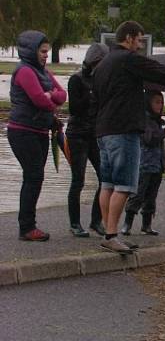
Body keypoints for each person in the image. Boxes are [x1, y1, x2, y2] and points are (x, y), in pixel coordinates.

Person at [93, 20, 165, 254]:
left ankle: (107, 231)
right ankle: (112, 235)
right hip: (124, 130)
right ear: (130, 38)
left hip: (103, 130)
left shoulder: (103, 64)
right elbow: (162, 72)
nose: (141, 44)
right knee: (124, 185)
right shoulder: (128, 60)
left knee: (107, 184)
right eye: (140, 39)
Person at [7, 30, 67, 242]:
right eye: (42, 51)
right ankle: (27, 227)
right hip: (23, 131)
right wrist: (49, 99)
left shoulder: (43, 71)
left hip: (40, 131)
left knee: (35, 177)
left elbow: (62, 94)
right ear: (30, 50)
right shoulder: (24, 71)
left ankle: (28, 224)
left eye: (47, 51)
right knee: (33, 176)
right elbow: (38, 101)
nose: (45, 55)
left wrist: (49, 96)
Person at [66, 43, 108, 238]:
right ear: (95, 61)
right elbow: (74, 108)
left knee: (105, 178)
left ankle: (95, 220)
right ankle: (75, 223)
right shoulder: (76, 80)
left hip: (94, 134)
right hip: (77, 135)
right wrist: (92, 95)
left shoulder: (101, 80)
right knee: (78, 180)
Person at [120, 91, 165, 236]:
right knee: (138, 194)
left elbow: (160, 146)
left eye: (161, 102)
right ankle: (127, 223)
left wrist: (164, 162)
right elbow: (149, 139)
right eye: (156, 102)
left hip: (156, 165)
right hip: (144, 164)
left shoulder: (157, 121)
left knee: (151, 196)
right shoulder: (143, 120)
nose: (160, 105)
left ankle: (146, 224)